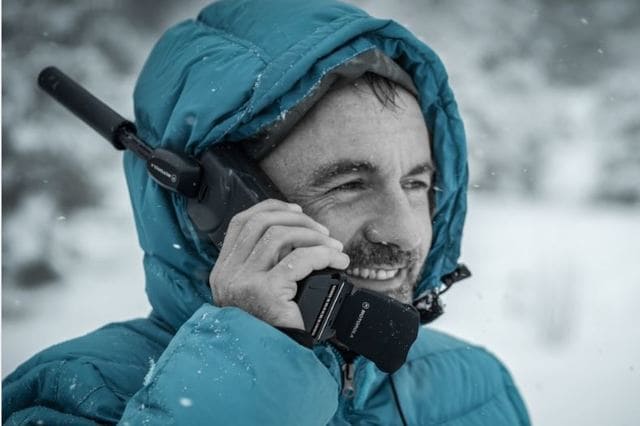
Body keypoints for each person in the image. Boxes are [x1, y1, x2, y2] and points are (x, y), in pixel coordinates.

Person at [3, 0, 530, 424]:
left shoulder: (477, 386)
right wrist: (247, 364)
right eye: (349, 184)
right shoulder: (74, 394)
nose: (404, 230)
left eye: (416, 183)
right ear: (217, 205)